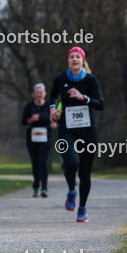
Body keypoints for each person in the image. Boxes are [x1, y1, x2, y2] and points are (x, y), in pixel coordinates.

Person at [49, 47, 103, 222]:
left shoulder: (90, 80)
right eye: (71, 56)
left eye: (77, 57)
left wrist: (83, 97)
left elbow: (100, 104)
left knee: (85, 173)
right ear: (68, 61)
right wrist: (52, 109)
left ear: (82, 61)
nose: (74, 59)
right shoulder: (60, 80)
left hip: (87, 131)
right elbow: (52, 98)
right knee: (71, 162)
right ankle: (72, 190)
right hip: (67, 130)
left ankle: (82, 208)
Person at [22, 83, 54, 198]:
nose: (39, 95)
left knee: (42, 162)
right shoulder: (29, 106)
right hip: (32, 137)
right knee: (35, 163)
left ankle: (44, 187)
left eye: (41, 92)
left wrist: (53, 123)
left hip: (46, 137)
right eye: (37, 93)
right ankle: (36, 185)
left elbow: (53, 118)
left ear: (44, 93)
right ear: (34, 94)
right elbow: (23, 121)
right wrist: (30, 120)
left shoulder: (49, 106)